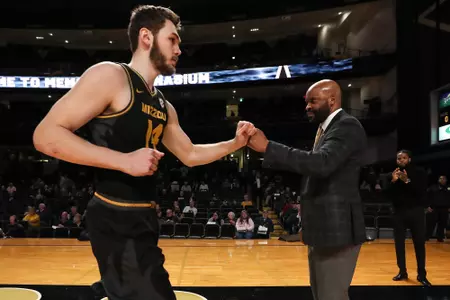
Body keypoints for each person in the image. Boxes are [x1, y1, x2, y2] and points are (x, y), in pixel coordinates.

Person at [32, 5, 256, 300]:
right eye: (172, 40)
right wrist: (123, 161)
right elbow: (45, 136)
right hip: (114, 214)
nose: (179, 49)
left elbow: (189, 153)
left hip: (144, 217)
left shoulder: (164, 105)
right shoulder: (111, 76)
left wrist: (235, 144)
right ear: (146, 37)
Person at [248, 79, 367, 300]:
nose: (307, 106)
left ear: (332, 100)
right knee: (322, 295)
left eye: (313, 101)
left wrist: (268, 148)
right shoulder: (327, 129)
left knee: (331, 296)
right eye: (306, 101)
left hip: (337, 230)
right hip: (324, 230)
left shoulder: (346, 125)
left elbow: (321, 163)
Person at [386, 150, 431, 286]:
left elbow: (421, 192)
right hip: (399, 213)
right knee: (399, 244)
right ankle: (402, 272)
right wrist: (393, 182)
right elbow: (387, 195)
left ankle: (421, 274)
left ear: (409, 159)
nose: (401, 160)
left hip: (416, 212)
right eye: (399, 158)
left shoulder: (419, 172)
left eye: (404, 158)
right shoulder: (392, 174)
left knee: (419, 244)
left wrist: (407, 181)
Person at [426, 175, 449, 242]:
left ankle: (440, 238)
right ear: (438, 180)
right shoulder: (433, 188)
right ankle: (427, 237)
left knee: (442, 224)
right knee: (431, 224)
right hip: (434, 208)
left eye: (444, 179)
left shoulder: (447, 189)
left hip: (444, 209)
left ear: (446, 180)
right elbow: (427, 197)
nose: (442, 180)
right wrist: (427, 206)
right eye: (441, 179)